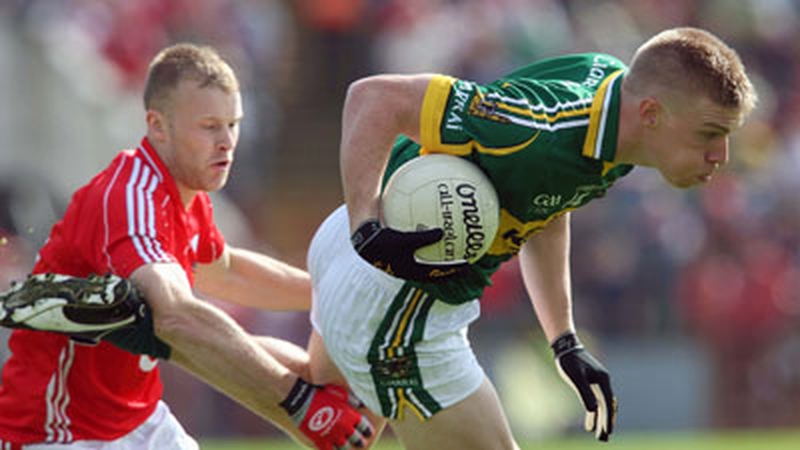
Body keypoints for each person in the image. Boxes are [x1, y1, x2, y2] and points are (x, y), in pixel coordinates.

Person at [306, 26, 758, 449]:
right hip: (401, 304)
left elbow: (546, 203)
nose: (721, 155)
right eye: (710, 134)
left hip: (362, 261)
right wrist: (366, 230)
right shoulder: (541, 129)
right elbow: (373, 97)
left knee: (318, 408)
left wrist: (564, 341)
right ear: (652, 114)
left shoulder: (617, 112)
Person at [0, 43, 373, 450]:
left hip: (139, 420)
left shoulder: (183, 195)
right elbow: (177, 316)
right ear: (158, 126)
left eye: (233, 123)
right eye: (209, 126)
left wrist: (334, 295)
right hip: (59, 434)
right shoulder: (130, 196)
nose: (227, 141)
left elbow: (226, 271)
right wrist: (299, 402)